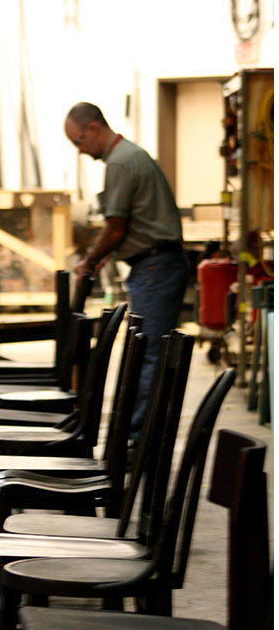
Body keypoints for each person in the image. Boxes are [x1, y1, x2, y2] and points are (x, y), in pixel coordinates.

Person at [64, 102, 190, 444]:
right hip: (154, 265)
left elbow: (115, 227)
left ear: (93, 128)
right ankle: (138, 438)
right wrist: (103, 256)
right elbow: (126, 226)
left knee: (147, 354)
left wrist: (91, 260)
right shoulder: (130, 156)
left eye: (78, 141)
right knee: (146, 351)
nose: (80, 151)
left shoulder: (120, 161)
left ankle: (136, 442)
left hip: (155, 267)